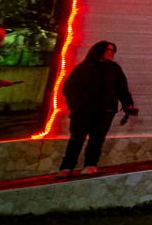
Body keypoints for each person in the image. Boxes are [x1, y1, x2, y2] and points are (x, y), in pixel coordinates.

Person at [57, 41, 136, 178]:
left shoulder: (114, 69)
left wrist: (127, 104)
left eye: (113, 51)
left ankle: (91, 165)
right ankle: (67, 167)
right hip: (83, 110)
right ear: (98, 51)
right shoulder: (84, 68)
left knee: (97, 139)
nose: (111, 53)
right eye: (108, 50)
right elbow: (69, 88)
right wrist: (74, 105)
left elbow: (121, 89)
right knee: (77, 138)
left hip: (106, 110)